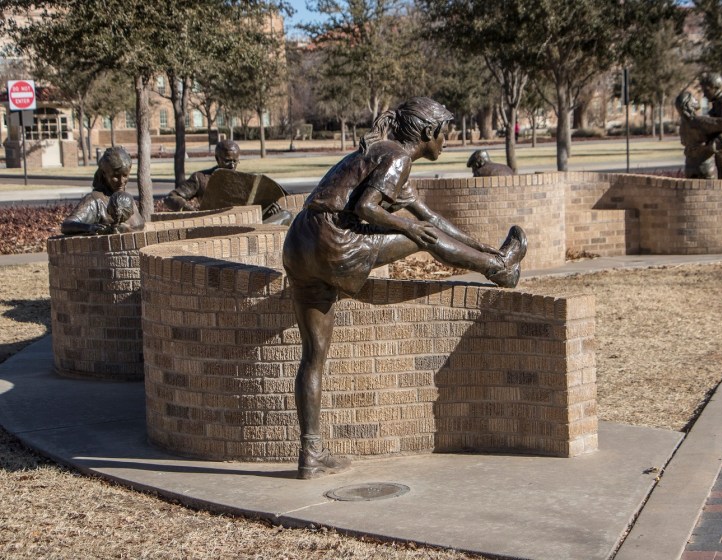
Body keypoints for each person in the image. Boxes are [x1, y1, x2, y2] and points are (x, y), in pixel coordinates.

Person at [282, 97, 527, 479]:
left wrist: (482, 245)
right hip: (333, 242)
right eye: (446, 131)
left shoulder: (383, 156)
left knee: (313, 356)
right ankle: (500, 270)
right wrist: (407, 228)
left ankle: (310, 453)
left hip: (299, 245)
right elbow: (368, 209)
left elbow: (432, 218)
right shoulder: (398, 157)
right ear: (429, 132)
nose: (449, 139)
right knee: (420, 235)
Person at [163, 139, 291, 224]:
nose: (232, 165)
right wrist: (193, 213)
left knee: (286, 217)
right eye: (228, 161)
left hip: (240, 226)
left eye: (235, 161)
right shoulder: (200, 178)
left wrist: (267, 212)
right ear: (217, 158)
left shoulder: (245, 181)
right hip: (212, 226)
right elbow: (170, 198)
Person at [61, 146, 145, 236]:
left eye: (125, 175)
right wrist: (90, 228)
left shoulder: (127, 198)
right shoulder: (94, 200)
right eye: (115, 176)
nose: (121, 181)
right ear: (104, 174)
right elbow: (66, 225)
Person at [675, 91, 722, 179]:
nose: (696, 100)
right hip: (705, 166)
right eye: (693, 99)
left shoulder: (682, 127)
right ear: (688, 104)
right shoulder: (700, 122)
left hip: (689, 166)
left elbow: (683, 142)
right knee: (709, 192)